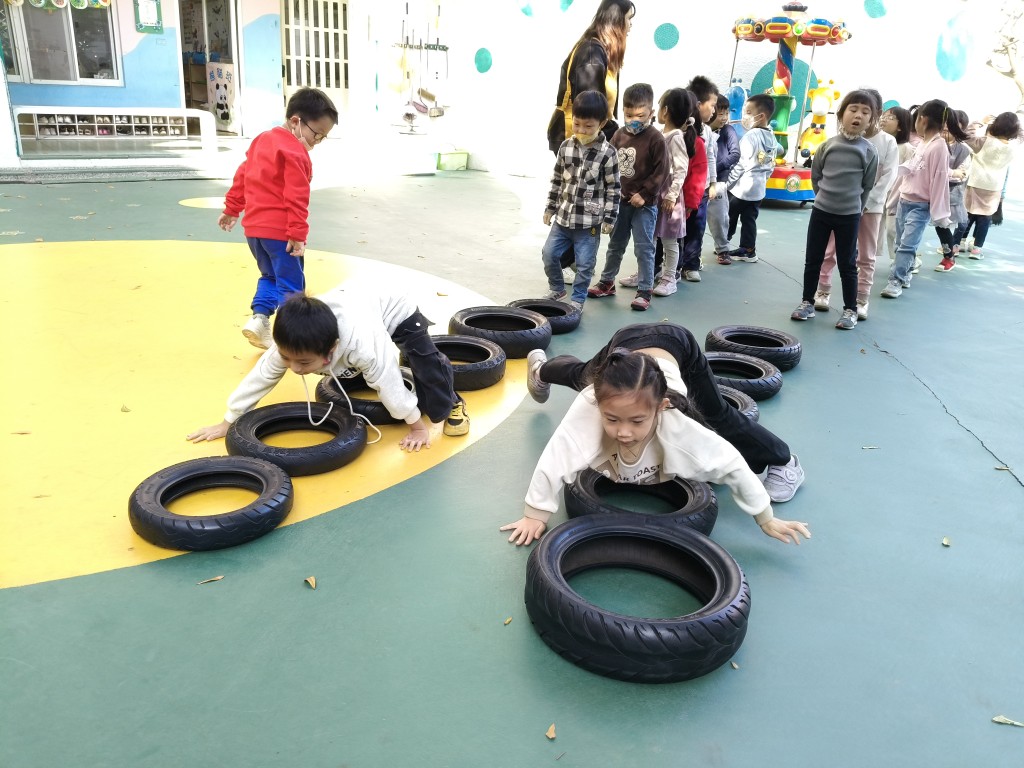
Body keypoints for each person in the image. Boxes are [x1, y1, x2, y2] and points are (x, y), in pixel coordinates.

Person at [502, 336, 810, 546]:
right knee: (584, 374)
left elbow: (731, 464)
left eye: (637, 421)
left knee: (718, 413)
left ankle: (783, 458)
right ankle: (541, 369)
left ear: (660, 408)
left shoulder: (677, 427)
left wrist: (765, 518)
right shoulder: (589, 407)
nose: (623, 432)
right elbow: (556, 458)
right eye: (612, 420)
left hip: (675, 344)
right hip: (626, 346)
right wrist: (535, 514)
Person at [187, 284, 469, 452]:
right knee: (348, 371)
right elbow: (261, 377)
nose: (294, 368)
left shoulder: (362, 344)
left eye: (304, 363)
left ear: (332, 348)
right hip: (356, 302)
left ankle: (453, 401)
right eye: (287, 358)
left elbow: (388, 381)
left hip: (396, 309)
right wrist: (229, 420)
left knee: (424, 364)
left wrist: (417, 427)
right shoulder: (292, 343)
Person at [219, 87, 339, 350]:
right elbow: (297, 196)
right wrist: (297, 234)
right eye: (316, 134)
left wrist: (232, 208)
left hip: (254, 231)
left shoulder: (262, 140)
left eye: (323, 137)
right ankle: (290, 340)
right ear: (296, 121)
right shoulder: (295, 153)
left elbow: (243, 174)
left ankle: (259, 319)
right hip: (281, 233)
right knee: (291, 287)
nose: (317, 141)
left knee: (270, 276)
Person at [546, 0, 635, 274]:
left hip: (586, 137)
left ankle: (572, 260)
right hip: (577, 138)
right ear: (616, 20)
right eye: (628, 19)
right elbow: (589, 106)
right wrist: (611, 136)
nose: (630, 26)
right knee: (579, 199)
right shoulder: (593, 52)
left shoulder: (598, 48)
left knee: (584, 198)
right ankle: (566, 261)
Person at [809, 89, 895, 322]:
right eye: (854, 109)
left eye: (866, 111)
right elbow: (818, 176)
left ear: (875, 114)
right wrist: (827, 198)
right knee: (828, 250)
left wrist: (865, 203)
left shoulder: (885, 143)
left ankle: (860, 300)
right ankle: (822, 291)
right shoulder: (835, 142)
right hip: (837, 206)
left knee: (865, 255)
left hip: (868, 207)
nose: (859, 115)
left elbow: (886, 176)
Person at [586, 83, 669, 311]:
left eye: (640, 115)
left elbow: (662, 171)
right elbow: (610, 165)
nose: (634, 120)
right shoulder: (619, 135)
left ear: (651, 113)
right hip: (620, 203)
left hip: (644, 205)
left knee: (644, 248)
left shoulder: (656, 139)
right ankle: (607, 282)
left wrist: (645, 193)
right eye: (629, 114)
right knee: (615, 244)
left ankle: (644, 290)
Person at [541, 90, 621, 312]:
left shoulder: (608, 154)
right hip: (563, 218)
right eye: (577, 124)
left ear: (601, 124)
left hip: (588, 224)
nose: (581, 130)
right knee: (549, 254)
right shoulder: (566, 147)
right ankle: (557, 288)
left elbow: (614, 188)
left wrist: (609, 218)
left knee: (585, 264)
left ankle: (577, 299)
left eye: (588, 126)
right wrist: (550, 207)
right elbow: (557, 180)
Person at [880, 99, 967, 299]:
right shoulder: (923, 143)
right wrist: (892, 173)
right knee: (900, 242)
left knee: (907, 244)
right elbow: (912, 168)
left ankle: (896, 280)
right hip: (905, 201)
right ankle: (905, 272)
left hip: (920, 205)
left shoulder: (938, 147)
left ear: (923, 120)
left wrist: (939, 213)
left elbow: (939, 180)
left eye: (916, 119)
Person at [650, 89, 706, 299]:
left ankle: (669, 279)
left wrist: (672, 196)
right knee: (650, 238)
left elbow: (681, 170)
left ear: (665, 110)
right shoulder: (660, 134)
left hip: (668, 199)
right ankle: (646, 272)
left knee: (669, 241)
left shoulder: (676, 138)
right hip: (656, 196)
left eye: (659, 106)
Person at [953, 111, 1021, 260]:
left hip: (975, 183)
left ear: (996, 125)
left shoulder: (984, 142)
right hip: (994, 188)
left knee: (967, 215)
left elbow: (965, 135)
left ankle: (957, 245)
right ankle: (976, 250)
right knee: (985, 219)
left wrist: (980, 122)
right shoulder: (1013, 147)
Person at [721, 93, 780, 264]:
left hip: (741, 189)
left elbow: (741, 164)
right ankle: (748, 250)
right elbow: (771, 164)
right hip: (758, 189)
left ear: (761, 116)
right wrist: (764, 180)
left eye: (748, 112)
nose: (744, 116)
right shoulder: (771, 136)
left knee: (729, 216)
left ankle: (722, 246)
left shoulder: (751, 136)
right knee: (749, 219)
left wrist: (727, 184)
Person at [932, 109, 972, 272]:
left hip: (950, 195)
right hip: (927, 192)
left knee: (943, 226)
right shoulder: (933, 143)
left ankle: (949, 256)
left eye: (952, 125)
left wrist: (946, 174)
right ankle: (909, 258)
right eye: (945, 123)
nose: (946, 128)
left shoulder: (964, 150)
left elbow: (961, 175)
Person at [877, 106, 914, 264]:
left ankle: (902, 260)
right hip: (879, 192)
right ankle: (865, 258)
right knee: (873, 228)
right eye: (884, 116)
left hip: (896, 197)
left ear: (900, 126)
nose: (884, 119)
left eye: (890, 118)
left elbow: (909, 173)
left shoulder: (907, 148)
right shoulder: (879, 143)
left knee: (893, 230)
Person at [706, 93, 741, 261]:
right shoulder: (702, 131)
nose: (724, 117)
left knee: (720, 218)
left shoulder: (728, 131)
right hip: (700, 183)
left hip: (719, 182)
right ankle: (692, 255)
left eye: (727, 113)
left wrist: (714, 169)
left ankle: (723, 249)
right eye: (721, 113)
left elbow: (735, 154)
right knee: (696, 221)